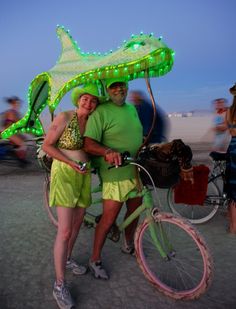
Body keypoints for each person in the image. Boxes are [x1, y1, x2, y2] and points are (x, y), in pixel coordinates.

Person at [42, 83, 101, 308]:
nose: (89, 102)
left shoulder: (93, 122)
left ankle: (67, 259)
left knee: (76, 226)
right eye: (85, 98)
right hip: (65, 175)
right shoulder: (65, 117)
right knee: (65, 230)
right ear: (78, 100)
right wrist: (71, 162)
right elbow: (48, 146)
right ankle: (59, 285)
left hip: (83, 177)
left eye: (93, 100)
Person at [83, 77, 143, 279]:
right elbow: (89, 143)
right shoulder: (101, 111)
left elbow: (134, 134)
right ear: (107, 90)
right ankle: (95, 259)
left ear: (127, 86)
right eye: (113, 86)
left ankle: (128, 245)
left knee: (135, 211)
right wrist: (108, 151)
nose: (119, 89)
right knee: (108, 219)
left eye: (122, 85)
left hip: (135, 170)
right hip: (115, 173)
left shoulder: (131, 109)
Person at [1, 96, 28, 163]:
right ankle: (21, 160)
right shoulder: (12, 112)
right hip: (7, 132)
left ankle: (14, 153)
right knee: (22, 145)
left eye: (19, 103)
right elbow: (17, 123)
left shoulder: (13, 112)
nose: (19, 105)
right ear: (13, 104)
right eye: (17, 103)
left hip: (8, 132)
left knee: (22, 139)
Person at [225, 84, 236, 234]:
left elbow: (229, 130)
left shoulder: (229, 111)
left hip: (232, 147)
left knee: (233, 189)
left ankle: (233, 227)